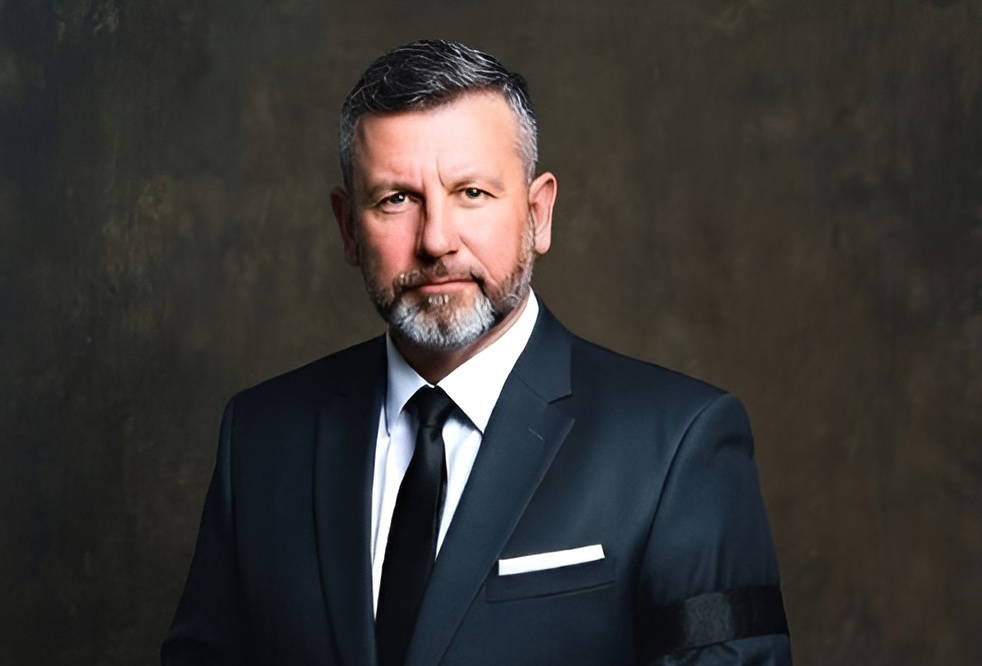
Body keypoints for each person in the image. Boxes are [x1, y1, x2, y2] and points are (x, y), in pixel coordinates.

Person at [161, 39, 791, 666]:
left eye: (471, 193)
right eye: (396, 199)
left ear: (539, 214)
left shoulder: (678, 443)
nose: (436, 240)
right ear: (349, 227)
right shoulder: (261, 438)